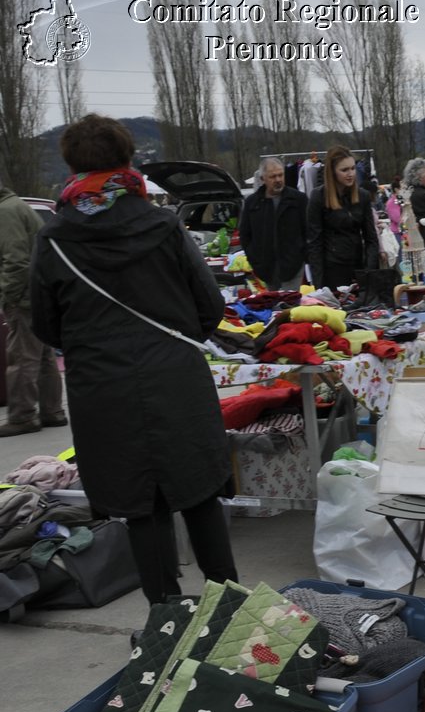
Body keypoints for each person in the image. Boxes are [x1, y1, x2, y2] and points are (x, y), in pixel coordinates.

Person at [30, 113, 238, 602]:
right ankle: (229, 608)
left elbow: (45, 325)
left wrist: (92, 349)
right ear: (127, 160)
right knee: (198, 492)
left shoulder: (55, 239)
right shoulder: (162, 224)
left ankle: (165, 617)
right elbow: (210, 306)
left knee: (141, 505)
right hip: (175, 378)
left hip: (103, 389)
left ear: (72, 166)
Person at [0, 177, 66, 436]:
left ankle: (22, 415)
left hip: (24, 296)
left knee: (21, 357)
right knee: (43, 356)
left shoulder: (5, 213)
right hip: (38, 293)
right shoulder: (16, 206)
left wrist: (10, 296)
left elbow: (15, 260)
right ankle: (52, 411)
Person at [306, 144, 380, 289]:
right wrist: (319, 285)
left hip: (358, 269)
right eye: (344, 170)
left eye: (352, 168)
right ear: (333, 172)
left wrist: (368, 273)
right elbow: (314, 243)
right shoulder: (318, 197)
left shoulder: (362, 196)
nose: (351, 173)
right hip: (332, 272)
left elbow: (371, 239)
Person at [237, 157, 308, 292]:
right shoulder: (253, 203)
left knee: (289, 306)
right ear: (263, 179)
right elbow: (245, 235)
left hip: (293, 265)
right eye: (273, 176)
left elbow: (308, 231)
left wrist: (302, 255)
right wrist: (254, 260)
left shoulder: (298, 200)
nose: (278, 180)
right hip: (266, 268)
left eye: (281, 175)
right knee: (271, 306)